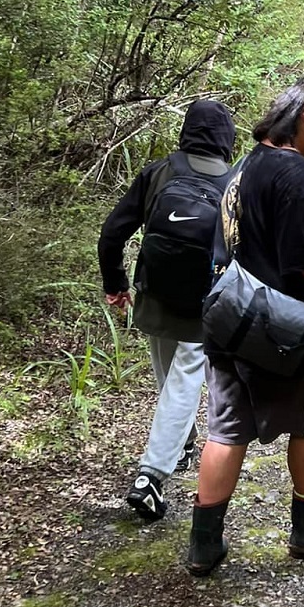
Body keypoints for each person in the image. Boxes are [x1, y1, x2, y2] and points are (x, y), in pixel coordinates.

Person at [187, 75, 304, 576]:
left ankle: (204, 545)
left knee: (226, 430)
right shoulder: (296, 173)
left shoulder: (243, 168)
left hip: (231, 323)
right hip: (290, 332)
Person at [97, 99, 237, 521]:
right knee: (184, 379)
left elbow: (111, 233)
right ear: (227, 138)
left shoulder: (159, 172)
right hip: (204, 302)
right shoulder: (236, 182)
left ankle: (182, 440)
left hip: (155, 294)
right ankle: (151, 476)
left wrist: (116, 283)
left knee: (170, 376)